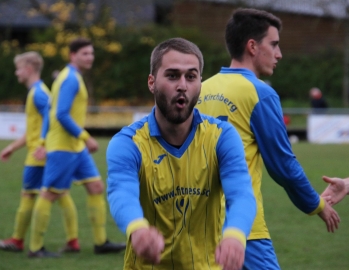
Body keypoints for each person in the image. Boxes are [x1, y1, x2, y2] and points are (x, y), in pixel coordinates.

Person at [196, 8, 340, 270]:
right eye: (273, 44)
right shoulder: (260, 93)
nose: (279, 54)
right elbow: (283, 166)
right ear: (252, 46)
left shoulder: (201, 89)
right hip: (245, 229)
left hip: (198, 226)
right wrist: (317, 205)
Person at [106, 37, 257, 270]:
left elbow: (241, 194)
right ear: (152, 82)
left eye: (191, 76)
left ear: (200, 83)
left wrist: (235, 235)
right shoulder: (128, 143)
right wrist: (137, 228)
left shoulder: (222, 136)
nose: (183, 85)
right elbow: (121, 192)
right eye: (172, 75)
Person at [28, 38, 125, 257]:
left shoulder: (69, 76)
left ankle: (101, 243)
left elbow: (51, 112)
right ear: (72, 55)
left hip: (75, 146)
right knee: (50, 194)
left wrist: (45, 141)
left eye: (91, 53)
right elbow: (61, 114)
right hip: (64, 146)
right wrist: (85, 136)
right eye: (85, 54)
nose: (90, 57)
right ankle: (35, 248)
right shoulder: (70, 79)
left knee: (96, 187)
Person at [0, 52, 78, 253]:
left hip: (38, 156)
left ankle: (18, 241)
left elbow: (53, 120)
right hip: (42, 152)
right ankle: (72, 241)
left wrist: (43, 145)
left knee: (30, 195)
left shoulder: (38, 94)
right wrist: (12, 147)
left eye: (18, 68)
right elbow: (35, 129)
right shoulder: (38, 92)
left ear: (29, 69)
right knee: (60, 193)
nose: (16, 73)